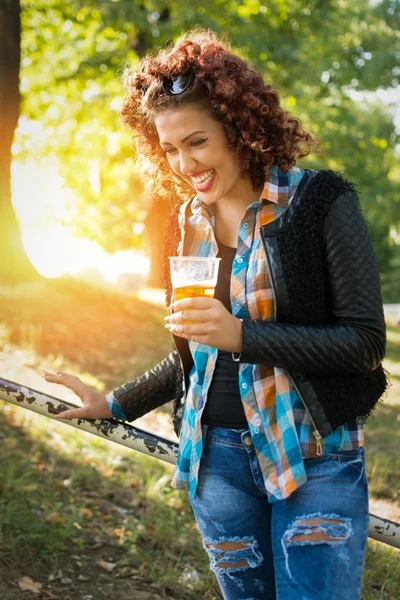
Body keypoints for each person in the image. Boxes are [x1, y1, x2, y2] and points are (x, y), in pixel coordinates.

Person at [43, 29, 387, 600]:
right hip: (217, 464)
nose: (184, 163)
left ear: (238, 127)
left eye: (197, 142)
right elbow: (197, 350)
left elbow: (363, 342)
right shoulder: (185, 221)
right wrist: (116, 402)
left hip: (313, 457)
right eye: (169, 149)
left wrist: (244, 335)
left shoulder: (319, 202)